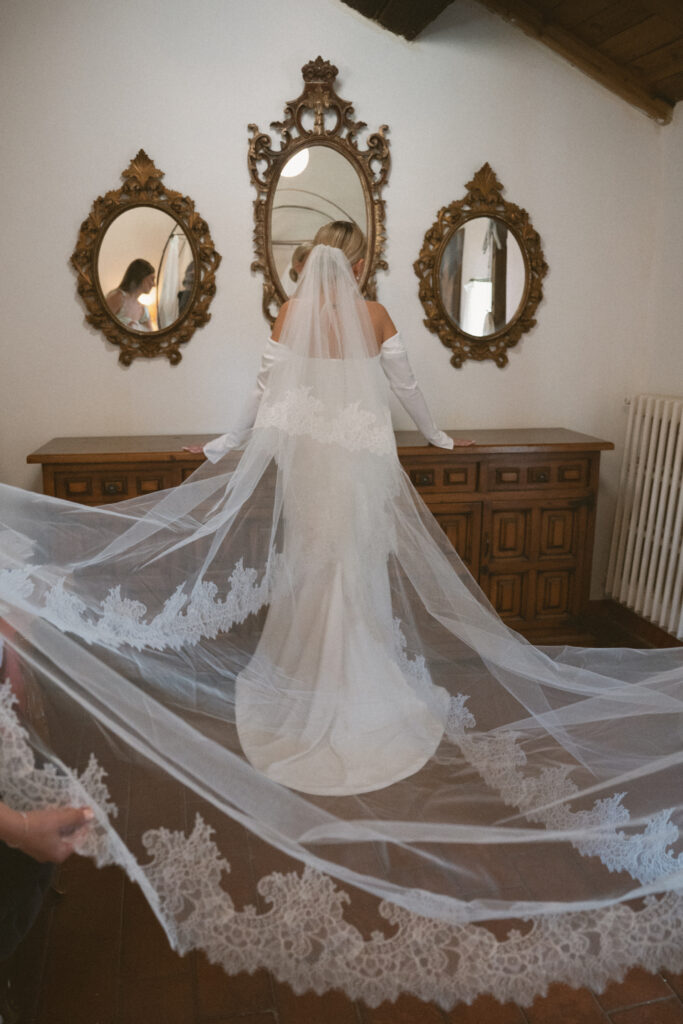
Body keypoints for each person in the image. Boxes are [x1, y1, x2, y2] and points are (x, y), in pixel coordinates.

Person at [0, 223, 681, 1009]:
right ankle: (353, 683)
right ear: (357, 262)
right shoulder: (379, 316)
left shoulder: (290, 317)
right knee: (351, 574)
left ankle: (311, 683)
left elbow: (260, 397)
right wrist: (435, 436)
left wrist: (221, 445)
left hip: (310, 471)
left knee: (313, 573)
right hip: (358, 470)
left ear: (311, 261)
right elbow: (408, 391)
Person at [106, 258, 155, 331]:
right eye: (152, 279)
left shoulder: (143, 309)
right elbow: (102, 325)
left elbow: (150, 336)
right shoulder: (118, 297)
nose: (154, 284)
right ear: (141, 277)